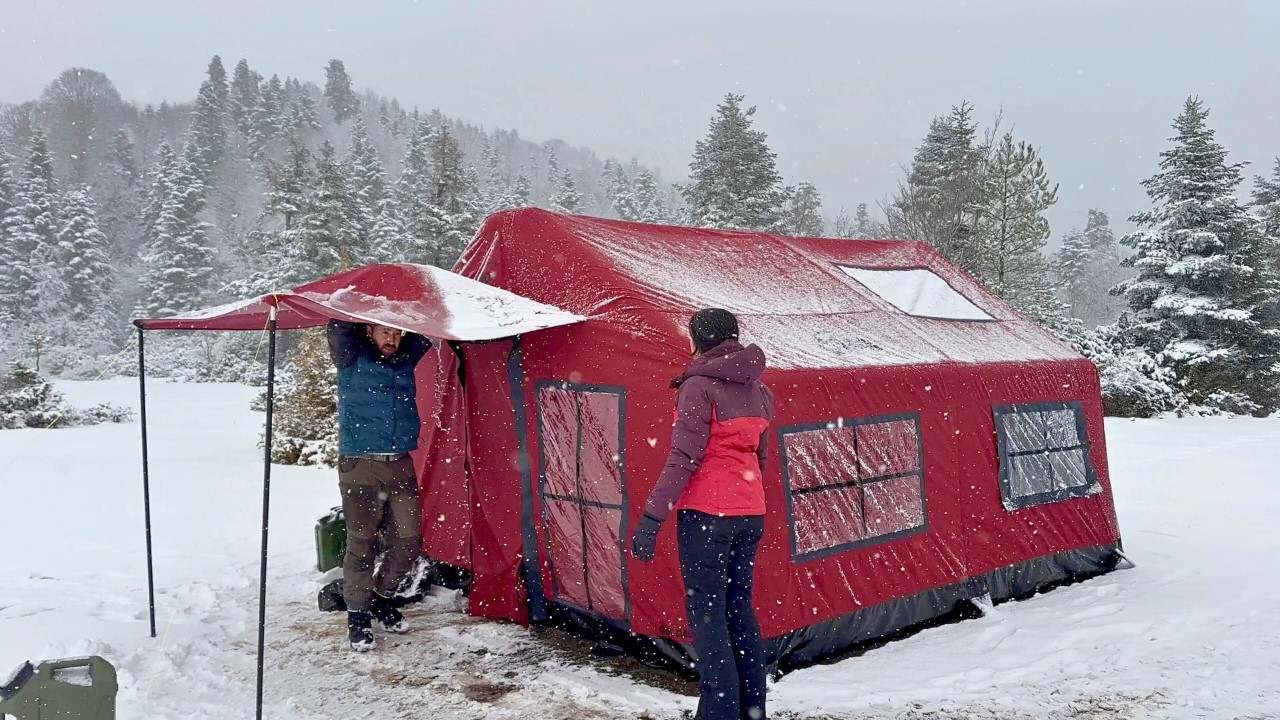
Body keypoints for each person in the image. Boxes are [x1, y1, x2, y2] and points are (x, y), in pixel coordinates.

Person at [631, 308, 775, 720]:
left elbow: (684, 457)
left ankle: (721, 713)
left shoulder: (698, 386)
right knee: (738, 608)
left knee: (708, 614)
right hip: (750, 511)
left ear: (699, 340)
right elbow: (759, 459)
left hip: (707, 514)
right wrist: (742, 498)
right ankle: (750, 711)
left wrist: (652, 518)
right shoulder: (760, 390)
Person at [328, 319, 433, 652]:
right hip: (360, 464)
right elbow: (338, 324)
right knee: (363, 544)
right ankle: (358, 617)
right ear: (368, 331)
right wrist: (366, 305)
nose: (393, 337)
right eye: (385, 330)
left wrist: (408, 309)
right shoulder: (350, 354)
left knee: (410, 539)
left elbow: (428, 324)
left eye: (397, 331)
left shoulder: (404, 357)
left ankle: (381, 597)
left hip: (400, 463)